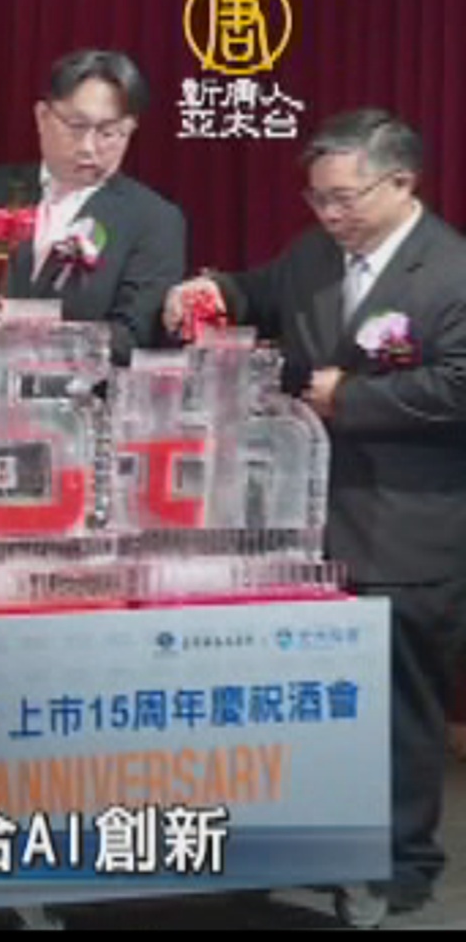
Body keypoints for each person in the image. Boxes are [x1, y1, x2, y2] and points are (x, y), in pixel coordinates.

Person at [163, 108, 466, 920]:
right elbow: (261, 290)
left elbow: (460, 383)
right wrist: (215, 289)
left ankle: (404, 863)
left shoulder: (452, 272)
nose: (330, 214)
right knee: (320, 707)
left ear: (402, 183)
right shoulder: (316, 255)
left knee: (401, 709)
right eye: (317, 198)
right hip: (309, 526)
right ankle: (321, 846)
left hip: (407, 529)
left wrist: (354, 398)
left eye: (344, 198)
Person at [0, 48, 186, 365]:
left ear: (130, 130)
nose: (89, 147)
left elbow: (134, 336)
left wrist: (39, 339)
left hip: (79, 390)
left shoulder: (154, 220)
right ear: (42, 116)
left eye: (108, 133)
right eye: (76, 126)